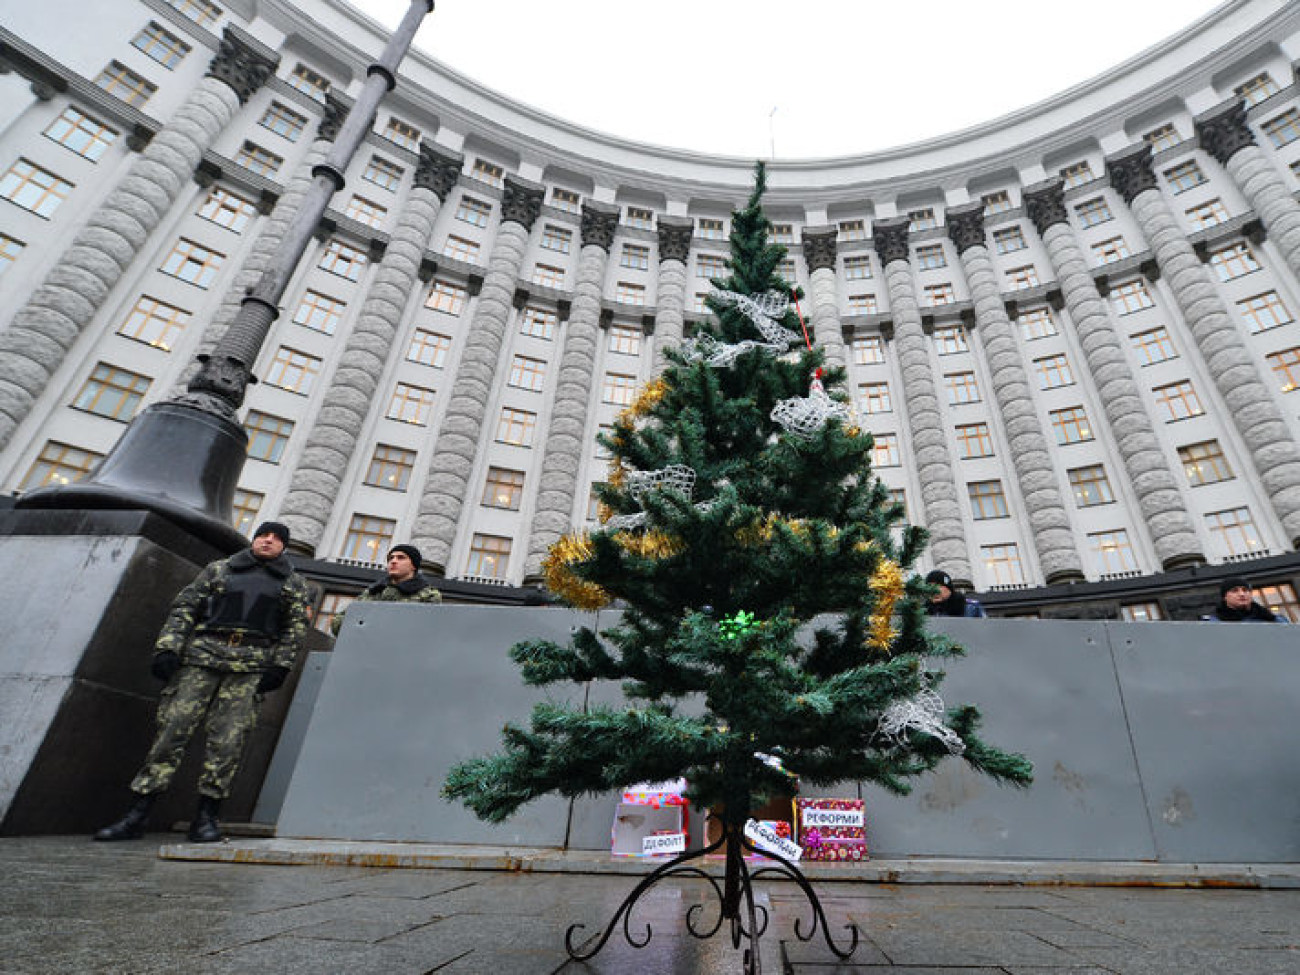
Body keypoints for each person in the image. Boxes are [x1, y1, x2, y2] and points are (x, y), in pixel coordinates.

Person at [94, 522, 311, 844]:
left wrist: (280, 665)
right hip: (201, 659)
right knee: (172, 731)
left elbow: (294, 628)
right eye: (264, 535)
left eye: (278, 538)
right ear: (255, 539)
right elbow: (185, 607)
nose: (268, 541)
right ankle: (137, 813)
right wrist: (168, 647)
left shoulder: (292, 583)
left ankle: (207, 817)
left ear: (284, 547)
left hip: (248, 667)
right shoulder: (219, 570)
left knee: (228, 742)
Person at [329, 543, 442, 636]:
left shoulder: (428, 595)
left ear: (413, 566)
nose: (393, 561)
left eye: (401, 558)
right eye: (390, 558)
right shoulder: (372, 592)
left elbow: (426, 631)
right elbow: (338, 624)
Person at [1202, 576, 1286, 622]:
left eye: (1245, 590)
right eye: (1234, 591)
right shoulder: (1213, 623)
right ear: (1225, 597)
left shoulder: (1274, 619)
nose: (1242, 594)